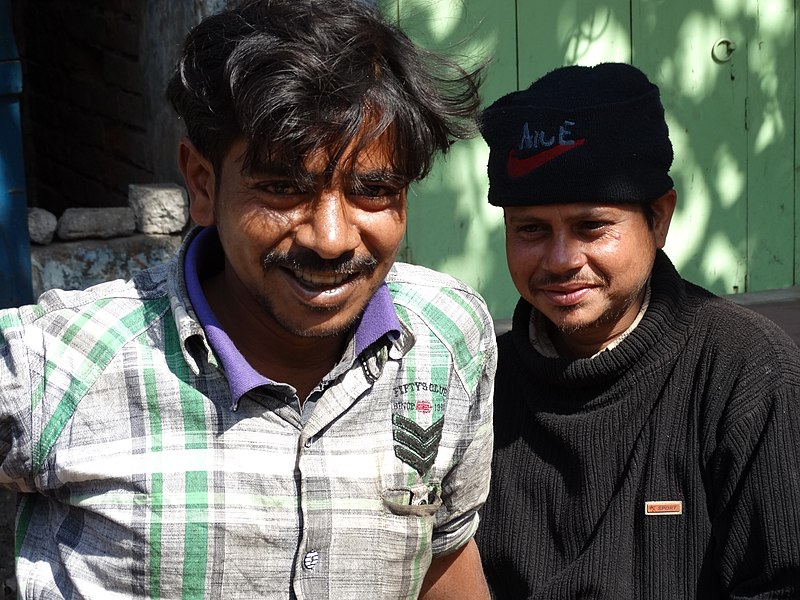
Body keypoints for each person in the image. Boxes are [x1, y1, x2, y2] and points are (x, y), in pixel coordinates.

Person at [0, 1, 497, 598]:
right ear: (203, 184)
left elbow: (444, 552)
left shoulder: (449, 336)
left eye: (374, 191)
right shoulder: (55, 364)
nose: (331, 238)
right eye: (282, 188)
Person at [475, 62, 800, 599]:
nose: (560, 260)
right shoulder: (478, 381)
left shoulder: (745, 371)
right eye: (531, 229)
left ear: (660, 218)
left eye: (592, 227)